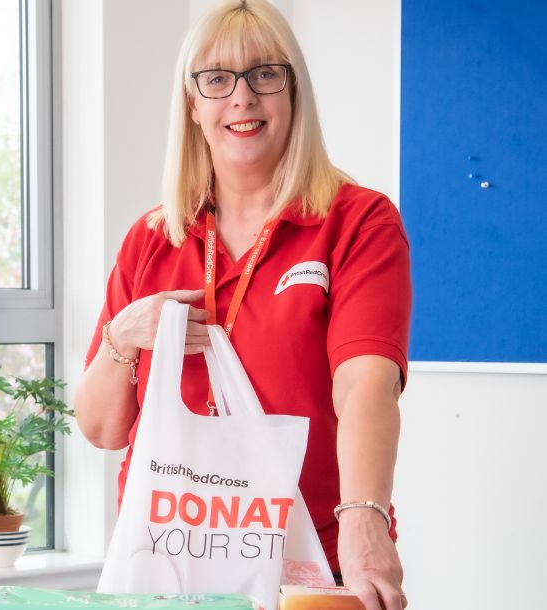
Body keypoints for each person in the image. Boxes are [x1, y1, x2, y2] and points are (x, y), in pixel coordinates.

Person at [73, 2, 410, 610]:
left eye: (264, 74)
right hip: (167, 562)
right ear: (193, 104)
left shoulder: (356, 221)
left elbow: (364, 385)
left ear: (293, 91)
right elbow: (101, 429)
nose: (242, 97)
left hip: (301, 564)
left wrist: (367, 520)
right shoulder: (152, 239)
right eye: (218, 79)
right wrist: (122, 338)